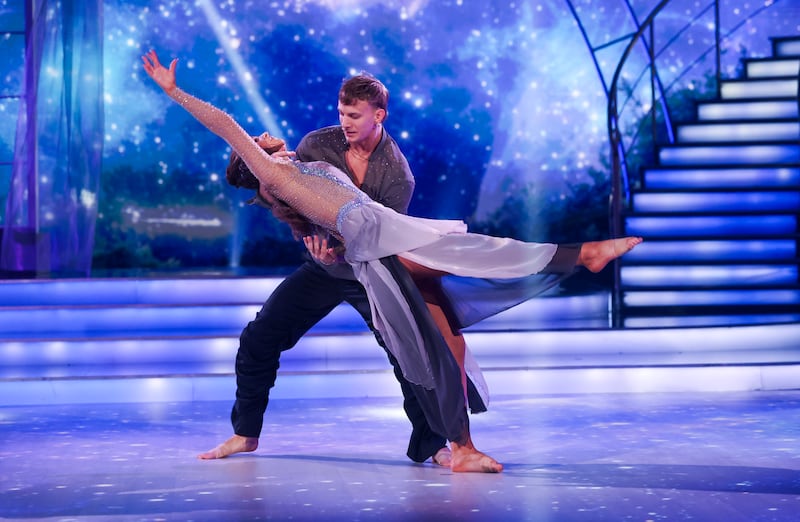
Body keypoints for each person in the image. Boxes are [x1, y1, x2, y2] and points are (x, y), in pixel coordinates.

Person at [141, 49, 643, 472]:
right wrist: (173, 91)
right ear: (251, 156)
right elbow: (225, 124)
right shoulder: (274, 169)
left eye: (353, 114)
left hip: (376, 236)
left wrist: (318, 233)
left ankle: (455, 444)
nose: (267, 137)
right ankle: (579, 257)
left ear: (378, 116)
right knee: (460, 270)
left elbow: (315, 211)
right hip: (367, 243)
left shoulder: (354, 168)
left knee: (439, 322)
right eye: (258, 142)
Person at [197, 74, 454, 466]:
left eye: (354, 115)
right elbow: (289, 194)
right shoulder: (318, 144)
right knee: (258, 339)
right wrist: (309, 236)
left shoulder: (397, 175)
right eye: (341, 113)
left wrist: (338, 250)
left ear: (379, 115)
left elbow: (383, 237)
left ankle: (433, 444)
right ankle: (244, 433)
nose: (346, 122)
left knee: (406, 349)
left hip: (370, 272)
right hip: (322, 268)